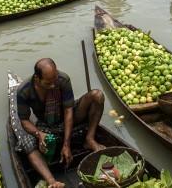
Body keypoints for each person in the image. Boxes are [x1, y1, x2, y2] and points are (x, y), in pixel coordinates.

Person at [16, 58, 106, 188]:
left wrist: (66, 144)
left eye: (55, 80)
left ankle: (89, 139)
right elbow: (24, 120)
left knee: (97, 95)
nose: (53, 85)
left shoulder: (63, 80)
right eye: (48, 83)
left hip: (66, 118)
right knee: (27, 142)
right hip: (45, 125)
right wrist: (39, 134)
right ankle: (52, 181)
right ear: (37, 78)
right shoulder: (24, 90)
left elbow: (68, 111)